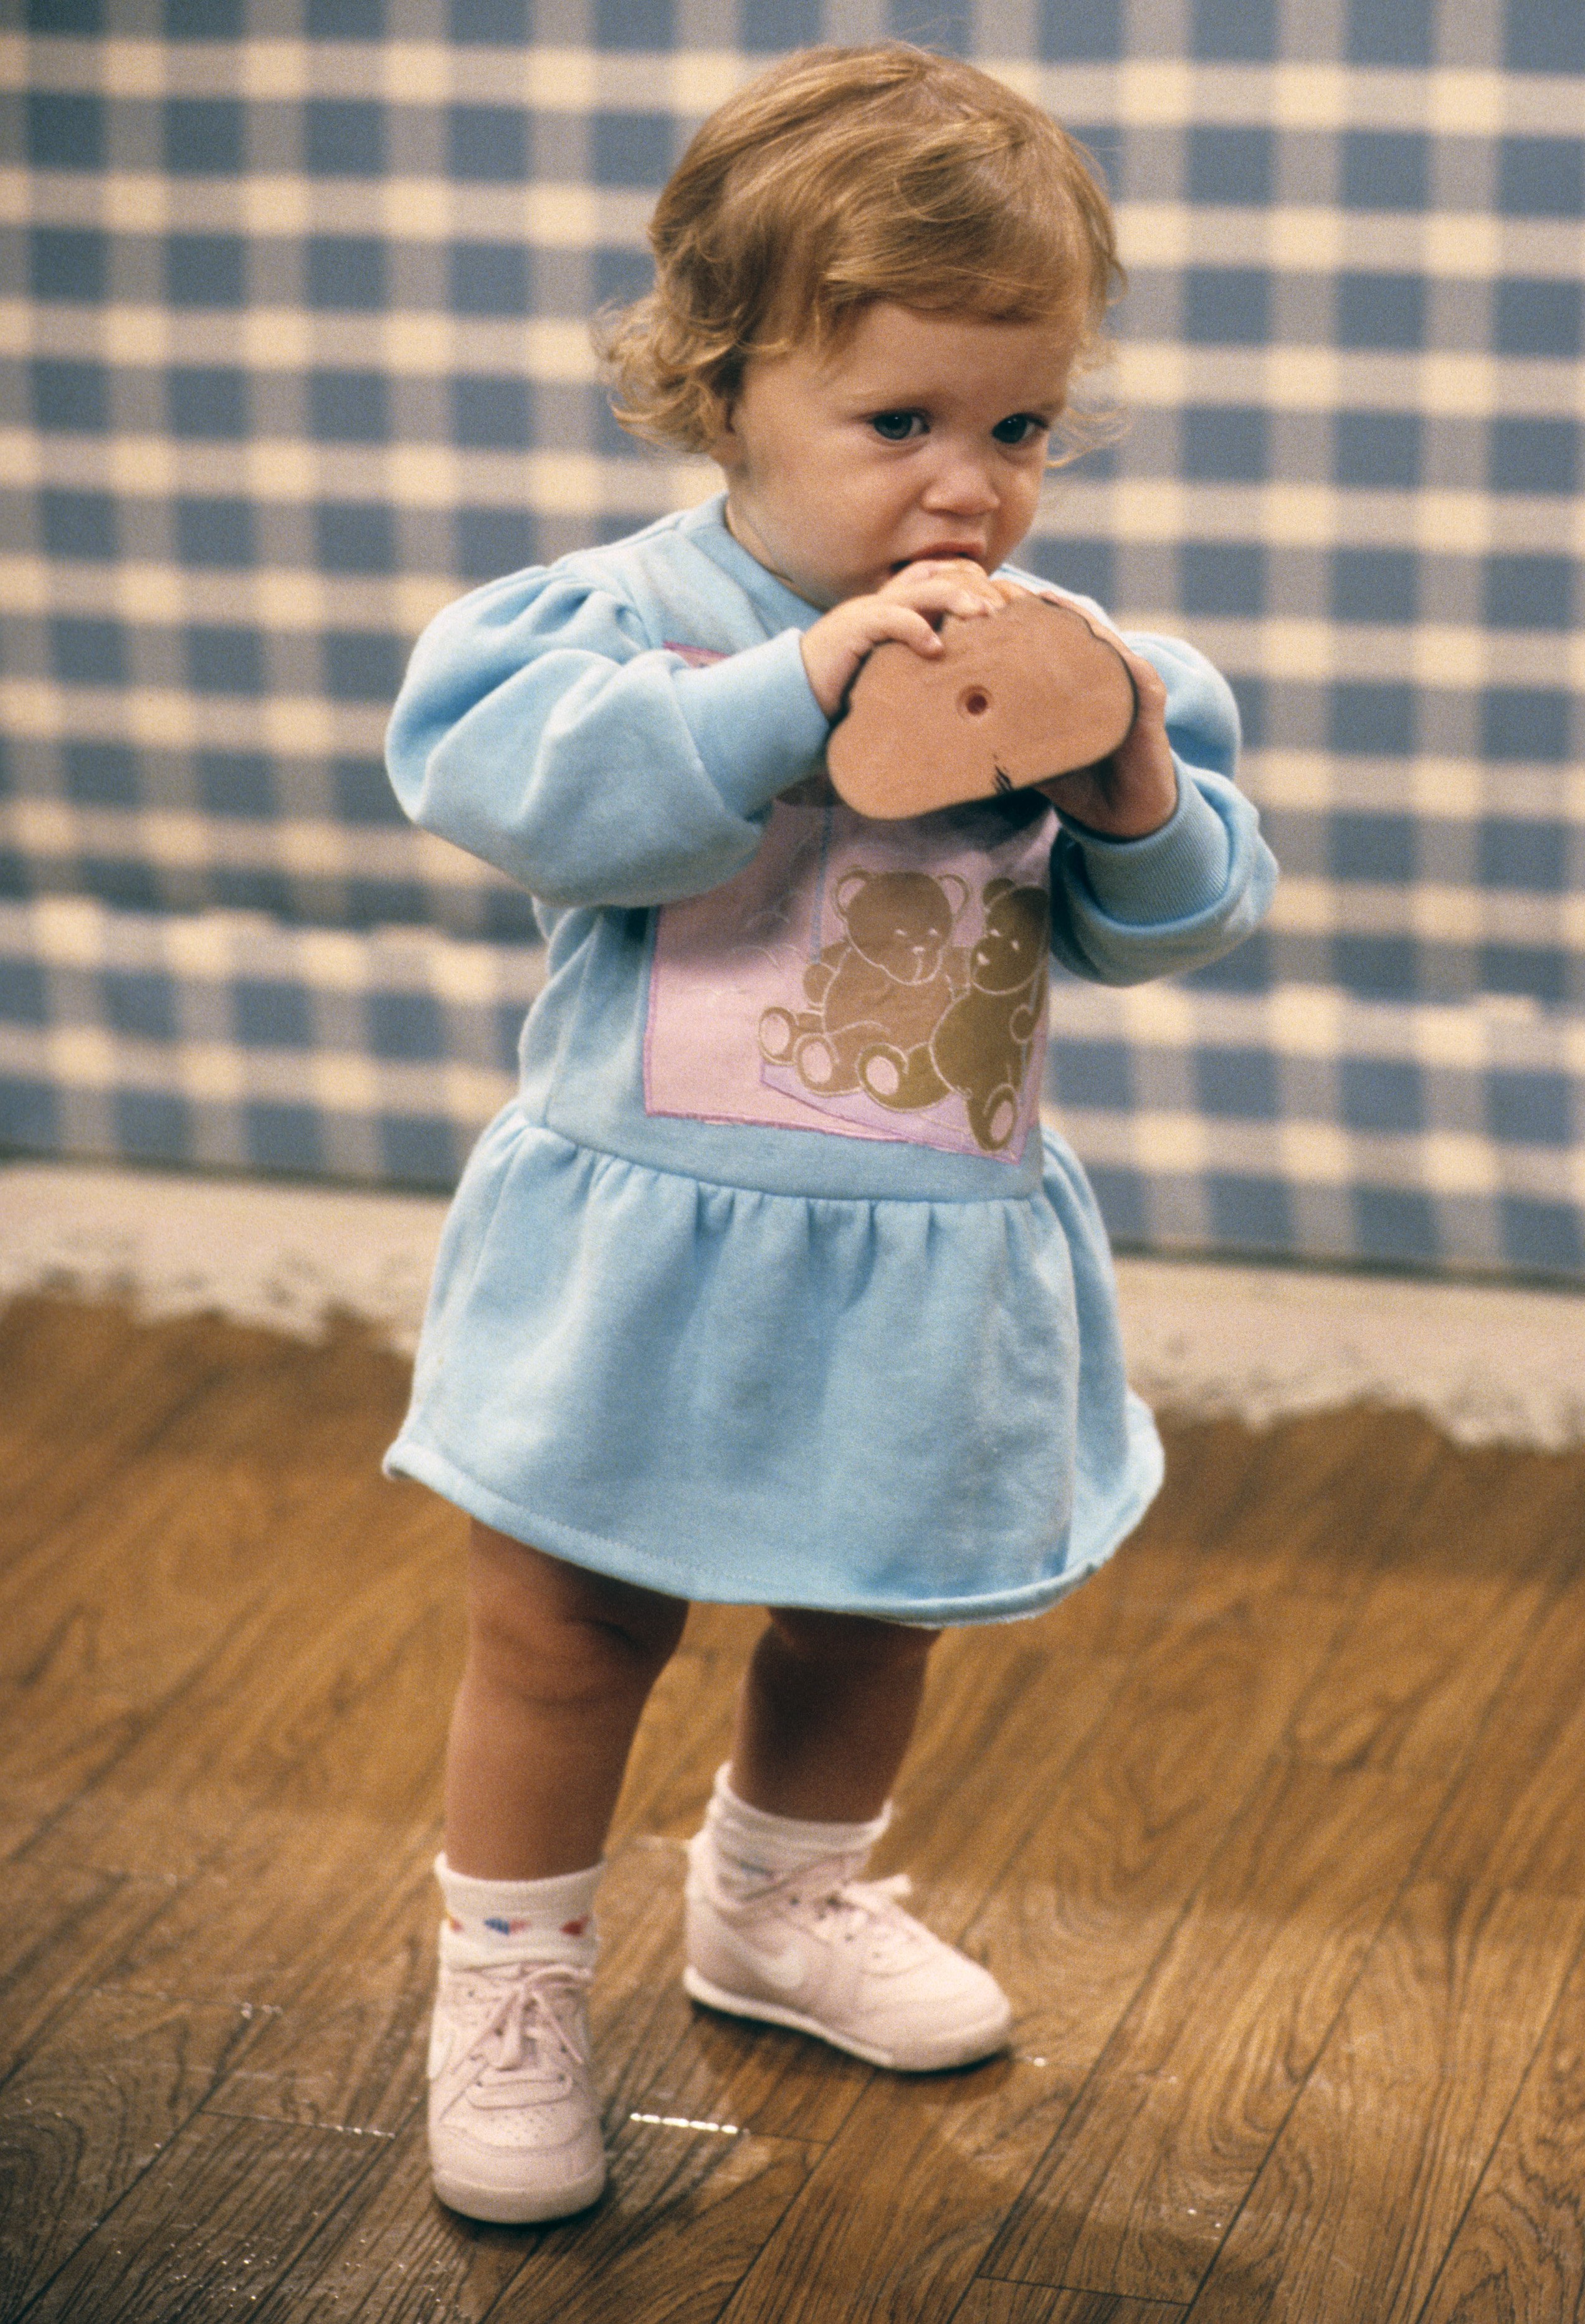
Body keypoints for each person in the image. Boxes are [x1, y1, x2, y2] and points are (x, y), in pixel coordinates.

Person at [384, 42, 1277, 2226]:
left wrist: (1135, 791)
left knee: (873, 1616)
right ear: (719, 391)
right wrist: (795, 695)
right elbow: (511, 789)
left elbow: (1180, 923)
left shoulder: (1093, 668)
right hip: (649, 1247)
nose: (965, 487)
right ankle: (505, 1977)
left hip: (923, 1257)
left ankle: (779, 1901)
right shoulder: (622, 635)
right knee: (567, 1627)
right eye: (897, 426)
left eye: (1018, 427)